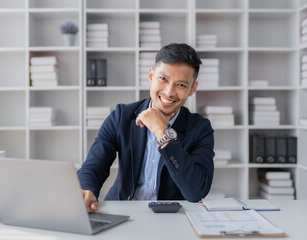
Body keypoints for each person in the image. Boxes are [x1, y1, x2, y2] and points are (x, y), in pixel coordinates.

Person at [78, 43, 214, 213]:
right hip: (123, 211)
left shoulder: (200, 129)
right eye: (163, 79)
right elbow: (93, 166)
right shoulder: (121, 116)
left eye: (181, 85)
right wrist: (87, 190)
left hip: (170, 218)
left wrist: (162, 132)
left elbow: (196, 191)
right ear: (151, 76)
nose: (169, 92)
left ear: (192, 89)